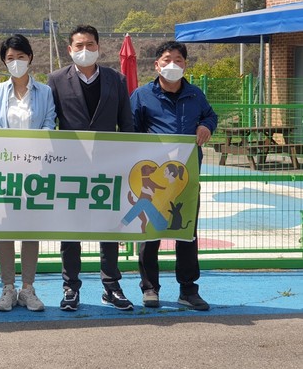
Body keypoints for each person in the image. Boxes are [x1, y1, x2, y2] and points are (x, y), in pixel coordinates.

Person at [47, 24, 134, 312]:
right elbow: (50, 123)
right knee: (70, 229)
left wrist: (126, 161)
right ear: (69, 49)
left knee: (110, 228)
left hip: (109, 166)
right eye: (79, 45)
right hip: (71, 167)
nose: (85, 50)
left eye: (90, 45)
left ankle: (111, 286)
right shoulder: (56, 80)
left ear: (99, 47)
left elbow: (127, 124)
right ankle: (71, 286)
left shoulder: (116, 79)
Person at [130, 40, 217, 311]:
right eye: (167, 60)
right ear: (156, 65)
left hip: (186, 179)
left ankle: (188, 290)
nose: (173, 65)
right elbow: (130, 132)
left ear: (185, 65)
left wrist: (206, 126)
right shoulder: (142, 95)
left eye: (178, 60)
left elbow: (211, 116)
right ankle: (150, 288)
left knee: (186, 233)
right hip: (153, 183)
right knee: (150, 234)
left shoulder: (195, 94)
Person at [0, 34, 56, 312]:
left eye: (21, 57)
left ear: (30, 58)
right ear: (4, 62)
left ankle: (27, 288)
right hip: (5, 167)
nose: (16, 62)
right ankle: (7, 287)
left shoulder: (45, 92)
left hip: (35, 168)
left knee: (30, 228)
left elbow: (49, 122)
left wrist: (33, 148)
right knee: (5, 228)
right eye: (10, 58)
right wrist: (12, 148)